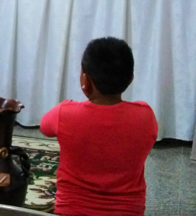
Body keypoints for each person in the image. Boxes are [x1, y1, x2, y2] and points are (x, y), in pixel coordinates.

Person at [41, 37, 158, 215]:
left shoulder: (64, 113)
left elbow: (45, 127)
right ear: (131, 78)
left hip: (71, 211)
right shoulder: (145, 116)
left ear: (85, 79)